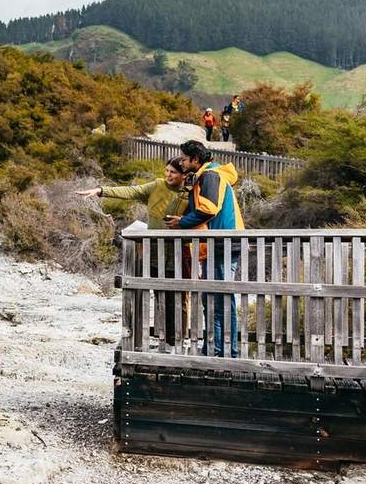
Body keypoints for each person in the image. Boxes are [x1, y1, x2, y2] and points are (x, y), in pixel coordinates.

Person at [79, 158, 192, 347]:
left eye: (173, 172)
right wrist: (101, 190)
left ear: (183, 175)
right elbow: (131, 191)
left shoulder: (189, 193)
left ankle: (177, 340)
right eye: (166, 171)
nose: (168, 175)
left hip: (178, 254)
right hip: (154, 253)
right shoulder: (157, 186)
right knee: (159, 295)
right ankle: (165, 339)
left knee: (177, 298)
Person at [166, 140, 245, 357]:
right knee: (212, 298)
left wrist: (181, 223)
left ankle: (225, 352)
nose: (181, 162)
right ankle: (215, 349)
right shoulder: (205, 176)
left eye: (183, 159)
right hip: (213, 245)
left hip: (221, 244)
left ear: (195, 159)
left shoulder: (210, 176)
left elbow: (209, 208)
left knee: (221, 299)